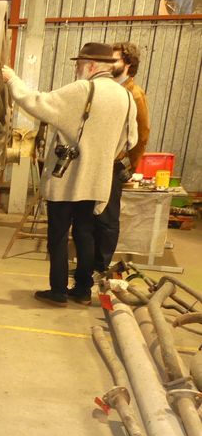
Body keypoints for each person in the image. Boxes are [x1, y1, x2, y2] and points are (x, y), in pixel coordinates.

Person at [1, 42, 137, 307]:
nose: (77, 70)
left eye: (78, 65)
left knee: (59, 235)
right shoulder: (126, 97)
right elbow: (129, 140)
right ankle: (83, 290)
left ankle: (59, 290)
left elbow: (39, 103)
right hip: (97, 179)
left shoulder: (84, 89)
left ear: (92, 65)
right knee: (86, 233)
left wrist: (13, 80)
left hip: (68, 179)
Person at [93, 42, 150, 273]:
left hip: (113, 164)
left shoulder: (134, 94)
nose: (109, 64)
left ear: (127, 64)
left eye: (114, 60)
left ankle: (100, 266)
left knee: (107, 219)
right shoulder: (109, 89)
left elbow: (142, 133)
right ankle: (89, 266)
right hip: (99, 162)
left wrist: (129, 166)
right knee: (93, 215)